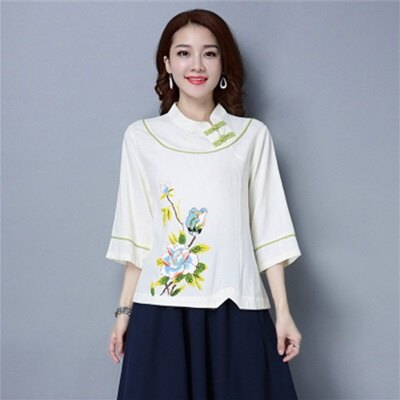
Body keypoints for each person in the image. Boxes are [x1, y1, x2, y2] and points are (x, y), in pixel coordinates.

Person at [106, 8, 302, 400]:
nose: (196, 65)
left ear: (223, 62)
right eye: (184, 53)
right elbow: (137, 235)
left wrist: (283, 313)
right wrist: (123, 313)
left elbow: (269, 229)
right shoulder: (141, 137)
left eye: (209, 53)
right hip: (162, 312)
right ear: (167, 63)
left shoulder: (251, 136)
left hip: (237, 305)